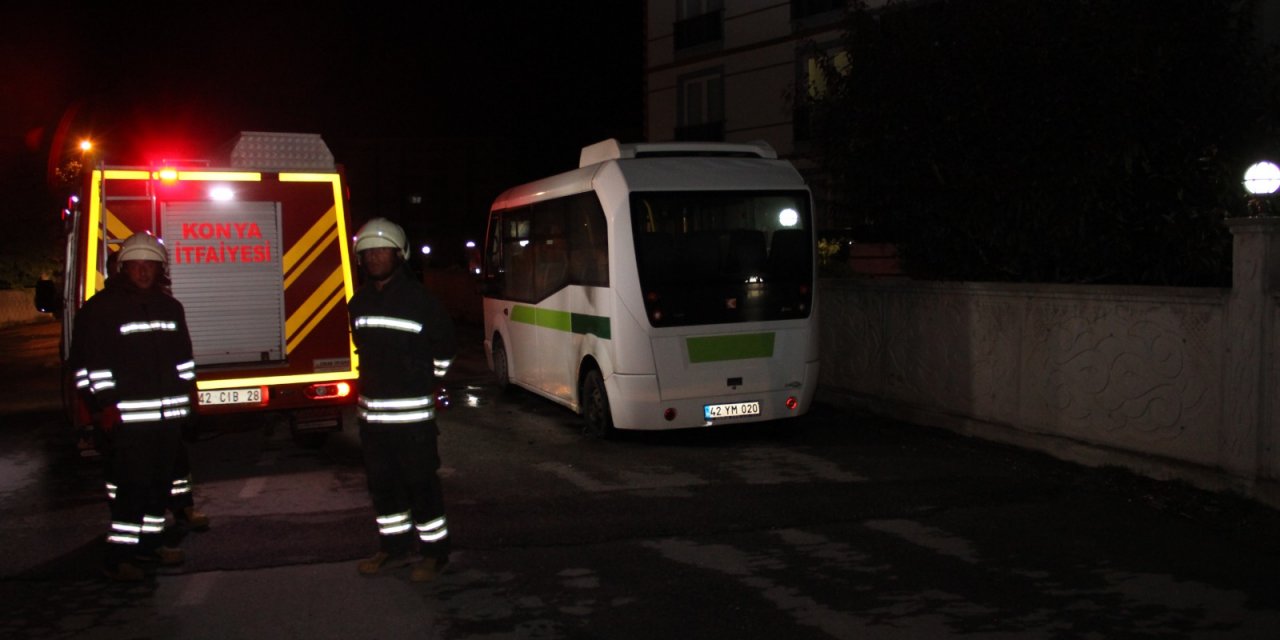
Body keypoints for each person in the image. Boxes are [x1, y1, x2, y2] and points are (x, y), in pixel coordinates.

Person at [70, 232, 196, 581]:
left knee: (159, 487)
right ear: (123, 268)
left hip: (167, 420)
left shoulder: (171, 308)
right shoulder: (102, 310)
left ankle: (150, 546)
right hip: (126, 421)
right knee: (131, 488)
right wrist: (104, 405)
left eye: (149, 266)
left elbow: (184, 360)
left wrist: (190, 398)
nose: (143, 272)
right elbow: (91, 365)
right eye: (136, 266)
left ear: (160, 269)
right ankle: (120, 556)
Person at [348, 218, 456, 582]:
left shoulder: (421, 301)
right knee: (382, 487)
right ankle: (393, 548)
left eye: (381, 250)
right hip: (373, 422)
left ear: (399, 254)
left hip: (412, 422)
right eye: (368, 252)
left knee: (421, 486)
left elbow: (445, 349)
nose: (374, 257)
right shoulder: (358, 302)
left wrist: (429, 380)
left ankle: (434, 554)